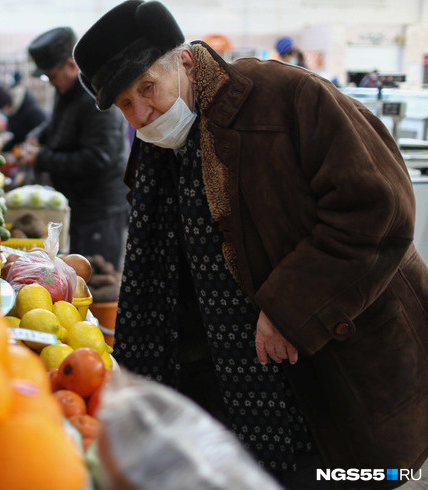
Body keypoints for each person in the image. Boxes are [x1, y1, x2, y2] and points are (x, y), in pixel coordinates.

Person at [73, 1, 428, 487]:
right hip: (242, 394)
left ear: (186, 61)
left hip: (340, 378)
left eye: (147, 89)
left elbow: (380, 207)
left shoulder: (289, 97)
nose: (141, 114)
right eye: (124, 105)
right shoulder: (159, 154)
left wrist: (291, 307)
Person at [23, 26, 130, 270]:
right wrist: (37, 136)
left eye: (51, 76)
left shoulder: (96, 99)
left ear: (71, 65)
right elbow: (57, 123)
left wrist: (42, 159)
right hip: (79, 202)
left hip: (99, 209)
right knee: (75, 270)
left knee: (97, 278)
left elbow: (97, 158)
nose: (50, 84)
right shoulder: (66, 89)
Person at [0, 84, 47, 153]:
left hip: (37, 151)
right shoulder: (14, 110)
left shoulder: (30, 109)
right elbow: (17, 136)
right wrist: (4, 150)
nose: (4, 111)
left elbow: (43, 130)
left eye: (2, 108)